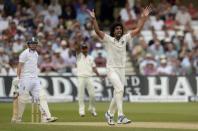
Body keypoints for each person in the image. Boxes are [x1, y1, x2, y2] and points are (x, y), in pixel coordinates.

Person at [87, 5, 151, 125]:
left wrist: (143, 17)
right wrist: (94, 19)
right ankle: (120, 116)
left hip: (122, 70)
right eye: (116, 29)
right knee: (120, 89)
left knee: (118, 92)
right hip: (111, 69)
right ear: (113, 31)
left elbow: (138, 30)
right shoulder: (108, 39)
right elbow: (97, 31)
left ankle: (109, 114)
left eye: (120, 29)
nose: (119, 30)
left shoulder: (125, 39)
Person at [12, 37, 58, 123]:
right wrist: (18, 77)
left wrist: (36, 77)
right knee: (23, 99)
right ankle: (18, 118)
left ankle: (46, 117)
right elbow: (19, 66)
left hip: (35, 79)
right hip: (25, 79)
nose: (33, 45)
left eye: (35, 43)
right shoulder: (24, 54)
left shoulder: (36, 53)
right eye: (31, 43)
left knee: (42, 97)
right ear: (28, 44)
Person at [75, 42, 100, 117]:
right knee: (81, 95)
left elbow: (94, 67)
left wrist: (98, 73)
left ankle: (92, 109)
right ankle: (81, 111)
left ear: (87, 49)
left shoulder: (91, 57)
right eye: (83, 48)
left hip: (89, 77)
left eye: (85, 48)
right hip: (81, 77)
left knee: (92, 95)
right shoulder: (79, 56)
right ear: (81, 49)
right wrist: (79, 41)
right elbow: (77, 49)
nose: (84, 50)